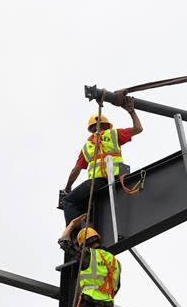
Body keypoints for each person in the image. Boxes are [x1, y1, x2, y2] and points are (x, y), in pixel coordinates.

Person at [61, 94, 143, 225]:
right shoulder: (114, 134)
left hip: (98, 183)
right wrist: (131, 111)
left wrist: (67, 188)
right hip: (119, 177)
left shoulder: (87, 146)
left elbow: (75, 171)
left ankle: (75, 234)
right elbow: (139, 128)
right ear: (106, 125)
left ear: (91, 129)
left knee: (69, 201)